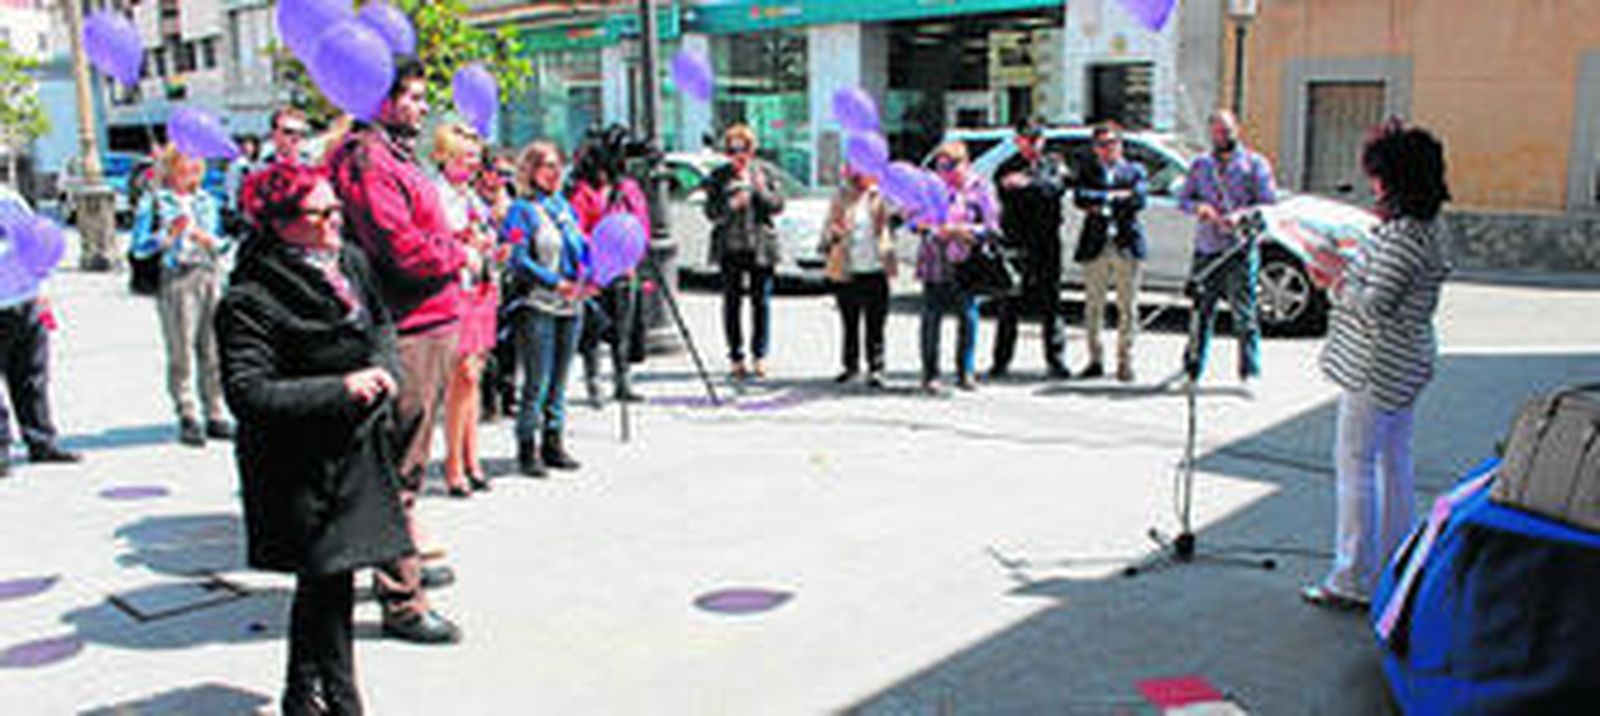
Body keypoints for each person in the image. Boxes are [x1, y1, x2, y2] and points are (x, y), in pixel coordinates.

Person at [220, 162, 413, 715]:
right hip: (300, 465)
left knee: (328, 583)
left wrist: (386, 369)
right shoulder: (251, 296)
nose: (334, 221)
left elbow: (381, 324)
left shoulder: (349, 261)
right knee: (327, 583)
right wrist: (342, 387)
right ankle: (342, 701)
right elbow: (248, 392)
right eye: (319, 213)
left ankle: (301, 695)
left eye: (336, 209)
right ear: (281, 224)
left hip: (355, 451)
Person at [326, 57, 465, 645]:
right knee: (398, 469)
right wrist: (456, 251)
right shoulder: (369, 160)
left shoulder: (390, 155)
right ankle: (402, 599)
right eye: (411, 97)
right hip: (408, 325)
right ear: (379, 99)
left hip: (428, 320)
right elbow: (400, 248)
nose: (420, 107)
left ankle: (398, 566)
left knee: (404, 463)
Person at [1302, 120, 1452, 610]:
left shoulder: (1406, 235)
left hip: (1378, 365)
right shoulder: (1425, 226)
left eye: (1378, 176)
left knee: (1357, 467)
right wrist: (1352, 263)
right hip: (1403, 362)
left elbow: (1374, 305)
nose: (1373, 186)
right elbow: (1383, 281)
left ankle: (1351, 578)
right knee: (1392, 463)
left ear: (1395, 180)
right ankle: (1394, 565)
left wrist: (1333, 276)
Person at [131, 146, 235, 447]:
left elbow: (223, 243)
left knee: (213, 348)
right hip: (177, 276)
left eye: (194, 164)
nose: (189, 170)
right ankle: (188, 412)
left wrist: (209, 240)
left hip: (209, 273)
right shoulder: (155, 202)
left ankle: (215, 410)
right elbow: (139, 247)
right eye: (183, 164)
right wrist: (168, 236)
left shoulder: (208, 201)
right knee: (181, 350)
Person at [501, 142, 591, 477]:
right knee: (536, 381)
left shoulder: (564, 207)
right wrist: (554, 282)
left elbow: (580, 247)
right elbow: (518, 258)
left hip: (571, 305)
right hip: (537, 303)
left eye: (558, 165)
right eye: (548, 166)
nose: (555, 173)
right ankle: (527, 445)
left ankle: (554, 441)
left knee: (560, 379)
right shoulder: (521, 210)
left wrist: (590, 275)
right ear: (531, 170)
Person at [1177, 109, 1278, 383]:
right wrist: (1199, 208)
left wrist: (1240, 217)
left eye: (1227, 131)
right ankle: (1193, 368)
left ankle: (1249, 370)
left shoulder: (1255, 164)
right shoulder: (1201, 165)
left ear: (1237, 130)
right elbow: (1183, 199)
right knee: (1200, 313)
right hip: (1207, 247)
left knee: (1244, 314)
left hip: (1239, 248)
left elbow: (1268, 204)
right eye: (1218, 131)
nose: (1222, 136)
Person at [430, 123, 496, 497]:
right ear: (446, 156)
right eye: (466, 157)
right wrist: (466, 243)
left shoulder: (470, 195)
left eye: (475, 157)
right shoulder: (437, 194)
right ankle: (453, 463)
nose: (473, 164)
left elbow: (484, 233)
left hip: (480, 287)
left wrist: (488, 243)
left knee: (474, 376)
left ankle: (472, 459)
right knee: (463, 376)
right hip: (455, 289)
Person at [569, 125, 650, 406]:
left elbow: (641, 223)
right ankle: (594, 381)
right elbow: (577, 228)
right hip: (593, 270)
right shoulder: (583, 190)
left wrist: (633, 256)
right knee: (592, 328)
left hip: (625, 269)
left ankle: (622, 379)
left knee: (623, 327)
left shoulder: (628, 188)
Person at [0, 200, 81, 477]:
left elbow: (40, 242)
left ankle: (41, 441)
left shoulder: (10, 200)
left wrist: (43, 289)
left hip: (26, 298)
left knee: (32, 376)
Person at [990, 117, 1071, 380]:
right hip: (1017, 241)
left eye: (1037, 138)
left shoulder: (1054, 163)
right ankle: (1001, 361)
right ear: (1018, 141)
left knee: (1051, 302)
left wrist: (1028, 184)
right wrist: (1037, 186)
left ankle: (1056, 360)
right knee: (1010, 302)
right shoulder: (1006, 167)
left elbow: (1055, 189)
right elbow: (1008, 193)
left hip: (1047, 241)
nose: (1033, 144)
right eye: (1027, 139)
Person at [918, 140, 999, 394]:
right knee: (931, 318)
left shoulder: (979, 188)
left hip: (967, 261)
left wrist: (965, 230)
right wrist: (932, 228)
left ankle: (965, 371)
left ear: (965, 164)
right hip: (935, 258)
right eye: (940, 166)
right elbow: (913, 220)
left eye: (951, 166)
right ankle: (930, 374)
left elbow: (992, 226)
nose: (945, 172)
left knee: (968, 315)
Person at [703, 124, 784, 380]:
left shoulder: (765, 172)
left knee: (761, 303)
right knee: (732, 303)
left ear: (752, 149)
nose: (738, 155)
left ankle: (760, 356)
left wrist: (759, 189)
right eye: (732, 149)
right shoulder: (719, 176)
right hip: (730, 248)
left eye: (743, 148)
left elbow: (777, 206)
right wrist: (731, 205)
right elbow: (710, 212)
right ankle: (736, 357)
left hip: (760, 247)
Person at [1073, 123, 1149, 383]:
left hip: (1126, 244)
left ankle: (1125, 361)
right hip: (1096, 245)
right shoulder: (1088, 171)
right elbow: (1081, 198)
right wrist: (1116, 197)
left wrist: (1104, 199)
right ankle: (1095, 359)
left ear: (1121, 144)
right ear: (1095, 148)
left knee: (1127, 306)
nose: (1108, 149)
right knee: (1093, 306)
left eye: (1112, 143)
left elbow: (1138, 199)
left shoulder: (1135, 170)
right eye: (1102, 144)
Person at [820, 163, 894, 388]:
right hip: (847, 267)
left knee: (876, 323)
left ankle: (876, 368)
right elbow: (827, 231)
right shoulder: (841, 197)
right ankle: (850, 366)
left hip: (876, 267)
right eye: (855, 171)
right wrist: (833, 233)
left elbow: (894, 221)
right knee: (849, 321)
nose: (859, 176)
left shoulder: (880, 195)